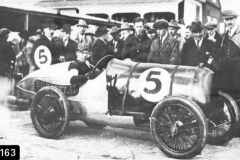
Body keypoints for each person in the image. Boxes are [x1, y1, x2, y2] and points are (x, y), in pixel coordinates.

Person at [217, 10, 240, 102]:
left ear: (236, 19)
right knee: (226, 95)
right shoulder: (224, 35)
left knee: (237, 97)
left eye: (231, 19)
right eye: (226, 19)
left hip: (237, 73)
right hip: (225, 72)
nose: (229, 22)